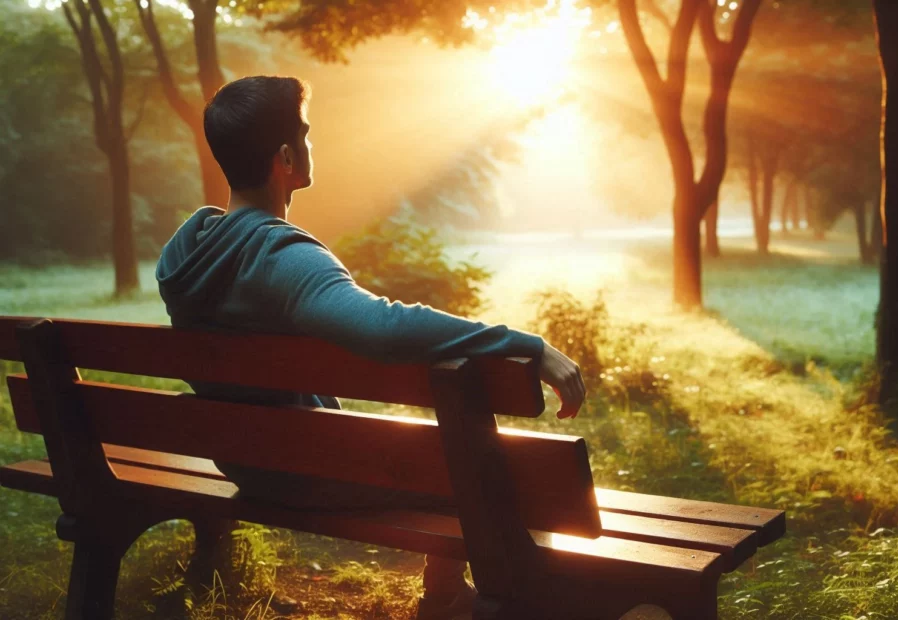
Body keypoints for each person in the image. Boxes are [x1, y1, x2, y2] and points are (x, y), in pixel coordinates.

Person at [155, 75, 586, 620]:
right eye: (305, 134)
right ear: (286, 156)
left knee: (462, 459)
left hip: (244, 461)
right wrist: (526, 345)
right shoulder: (278, 256)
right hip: (307, 471)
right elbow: (381, 329)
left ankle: (449, 596)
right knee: (510, 471)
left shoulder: (187, 255)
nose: (312, 143)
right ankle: (487, 601)